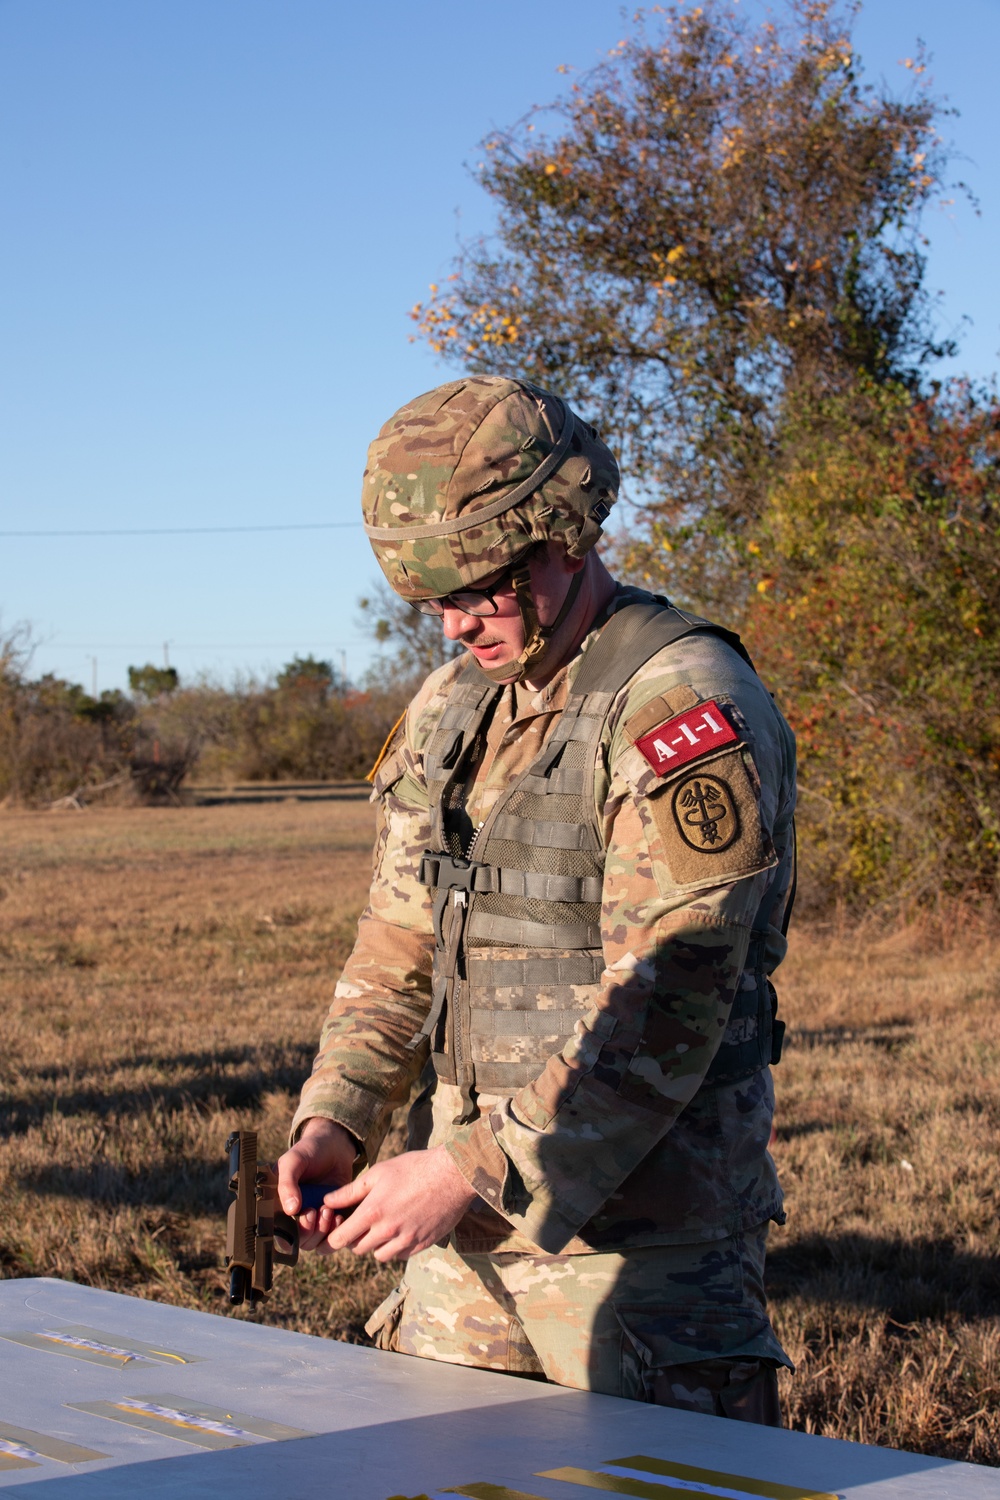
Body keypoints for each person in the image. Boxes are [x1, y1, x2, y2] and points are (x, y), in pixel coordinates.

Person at [276, 376, 796, 1424]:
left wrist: (466, 1170)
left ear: (563, 534)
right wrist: (337, 1117)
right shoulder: (452, 705)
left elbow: (669, 1001)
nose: (453, 627)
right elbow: (400, 942)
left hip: (637, 1257)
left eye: (480, 589)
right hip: (463, 1249)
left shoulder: (682, 700)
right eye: (431, 602)